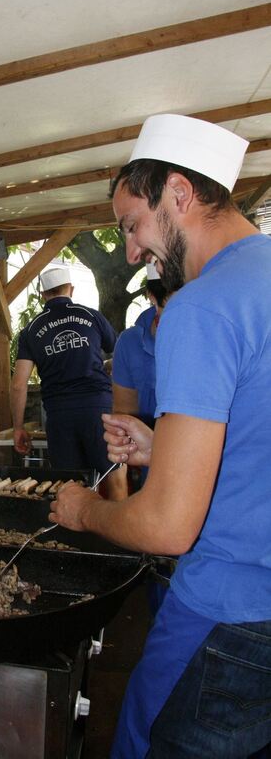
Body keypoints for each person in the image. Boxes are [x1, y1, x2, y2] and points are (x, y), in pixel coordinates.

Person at [49, 113, 271, 758]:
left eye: (131, 225)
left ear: (178, 193)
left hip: (231, 611)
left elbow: (168, 528)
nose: (130, 252)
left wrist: (86, 510)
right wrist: (163, 448)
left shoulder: (202, 306)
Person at [10, 265, 127, 500]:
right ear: (70, 289)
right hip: (98, 410)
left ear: (43, 295)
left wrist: (18, 427)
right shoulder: (91, 315)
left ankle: (73, 536)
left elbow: (18, 384)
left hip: (60, 416)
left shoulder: (31, 330)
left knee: (69, 484)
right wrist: (104, 368)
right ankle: (119, 535)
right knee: (113, 475)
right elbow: (122, 354)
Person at [112, 262, 170, 430]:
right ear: (151, 297)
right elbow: (124, 415)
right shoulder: (130, 343)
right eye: (169, 306)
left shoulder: (208, 335)